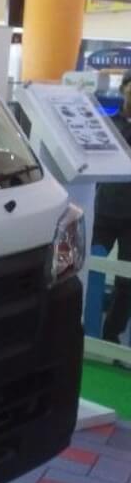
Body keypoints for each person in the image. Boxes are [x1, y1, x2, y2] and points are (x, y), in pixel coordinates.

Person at [93, 69, 131, 345]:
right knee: (87, 267)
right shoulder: (109, 124)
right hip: (104, 209)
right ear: (124, 89)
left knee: (127, 281)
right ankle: (82, 326)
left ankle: (112, 334)